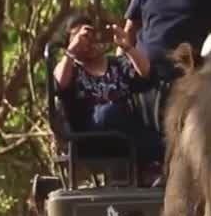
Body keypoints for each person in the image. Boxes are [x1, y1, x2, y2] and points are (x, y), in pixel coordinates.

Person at [53, 13, 163, 185]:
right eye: (82, 38)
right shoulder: (71, 70)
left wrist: (128, 47)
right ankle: (153, 158)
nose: (89, 41)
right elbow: (59, 83)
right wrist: (72, 51)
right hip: (91, 138)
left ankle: (156, 160)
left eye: (91, 35)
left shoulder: (117, 65)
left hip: (128, 134)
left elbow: (146, 73)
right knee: (107, 113)